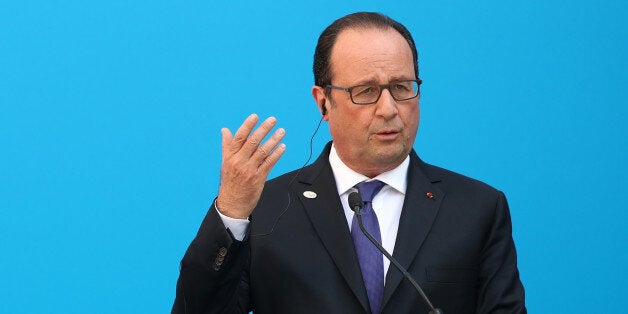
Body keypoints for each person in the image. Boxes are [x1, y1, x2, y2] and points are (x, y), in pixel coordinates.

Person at [172, 12, 526, 314]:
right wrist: (232, 212)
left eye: (402, 87)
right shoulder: (265, 210)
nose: (389, 109)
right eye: (366, 91)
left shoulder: (477, 209)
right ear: (324, 102)